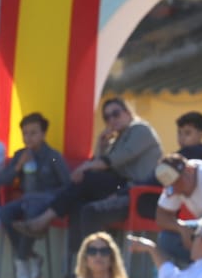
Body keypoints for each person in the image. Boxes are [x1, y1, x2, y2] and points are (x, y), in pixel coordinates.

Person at [12, 96, 163, 244]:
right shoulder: (120, 137)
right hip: (120, 187)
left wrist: (84, 167)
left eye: (116, 114)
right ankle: (78, 257)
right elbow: (99, 165)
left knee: (85, 179)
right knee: (78, 205)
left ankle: (42, 221)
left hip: (137, 191)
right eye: (107, 117)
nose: (112, 120)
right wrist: (100, 145)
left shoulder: (141, 130)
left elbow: (113, 161)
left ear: (128, 112)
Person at [0, 112, 73, 278]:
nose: (28, 138)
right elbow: (2, 181)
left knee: (32, 211)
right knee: (5, 213)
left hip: (47, 202)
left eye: (33, 133)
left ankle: (21, 258)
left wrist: (51, 197)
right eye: (25, 133)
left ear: (43, 134)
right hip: (26, 200)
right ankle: (29, 256)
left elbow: (67, 184)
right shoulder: (20, 155)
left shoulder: (53, 156)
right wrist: (18, 165)